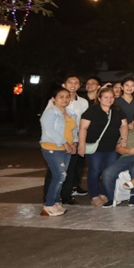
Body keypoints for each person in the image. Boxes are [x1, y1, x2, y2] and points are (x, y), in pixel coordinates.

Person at [79, 87, 128, 207]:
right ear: (99, 98)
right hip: (95, 148)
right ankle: (94, 195)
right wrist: (81, 144)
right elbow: (83, 128)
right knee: (94, 171)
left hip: (111, 147)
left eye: (111, 97)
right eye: (105, 97)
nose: (109, 99)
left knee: (108, 172)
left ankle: (103, 193)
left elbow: (124, 125)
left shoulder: (117, 110)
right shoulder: (92, 111)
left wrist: (124, 139)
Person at [100, 111, 134, 208]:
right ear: (133, 122)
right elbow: (118, 148)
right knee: (107, 173)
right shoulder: (127, 133)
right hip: (126, 157)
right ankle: (111, 198)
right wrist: (129, 151)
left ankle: (133, 195)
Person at [40, 89, 78, 216]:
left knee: (62, 176)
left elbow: (74, 130)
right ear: (53, 99)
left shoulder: (70, 113)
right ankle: (49, 204)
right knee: (59, 175)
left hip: (66, 149)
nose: (64, 99)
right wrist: (64, 143)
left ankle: (56, 202)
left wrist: (74, 143)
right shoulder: (50, 112)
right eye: (61, 97)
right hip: (52, 147)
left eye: (67, 97)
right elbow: (49, 131)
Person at [59, 74, 89, 203]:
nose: (73, 85)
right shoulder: (57, 100)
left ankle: (66, 194)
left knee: (72, 168)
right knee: (57, 169)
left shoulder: (83, 102)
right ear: (64, 85)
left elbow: (84, 122)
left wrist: (79, 141)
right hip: (59, 139)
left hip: (76, 139)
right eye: (70, 82)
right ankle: (51, 196)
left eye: (76, 83)